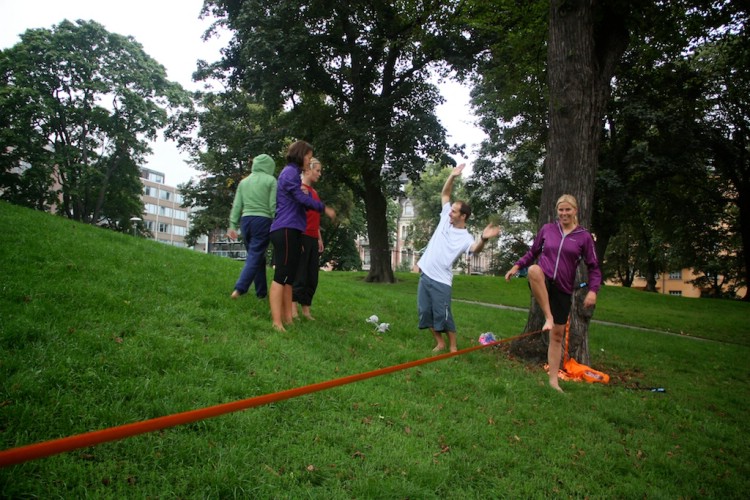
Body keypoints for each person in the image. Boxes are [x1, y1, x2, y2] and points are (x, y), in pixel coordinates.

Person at [504, 194, 602, 393]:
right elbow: (533, 253)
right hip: (544, 279)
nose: (564, 213)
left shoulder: (583, 237)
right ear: (557, 211)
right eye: (561, 210)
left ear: (575, 211)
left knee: (557, 336)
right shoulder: (548, 230)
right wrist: (516, 266)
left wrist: (593, 291)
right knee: (533, 270)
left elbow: (594, 267)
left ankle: (553, 381)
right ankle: (547, 317)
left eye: (568, 210)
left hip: (563, 288)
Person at [417, 164, 501, 353]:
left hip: (441, 281)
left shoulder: (466, 238)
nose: (450, 212)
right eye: (451, 209)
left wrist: (484, 238)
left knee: (444, 316)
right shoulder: (443, 219)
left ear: (463, 216)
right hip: (425, 274)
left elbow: (475, 249)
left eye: (454, 211)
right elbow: (445, 194)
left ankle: (453, 347)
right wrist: (452, 176)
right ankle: (439, 343)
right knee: (425, 313)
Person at [269, 141, 335, 331]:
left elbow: (297, 197)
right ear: (300, 155)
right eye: (308, 156)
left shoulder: (293, 175)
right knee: (281, 276)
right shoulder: (290, 172)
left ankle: (288, 318)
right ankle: (277, 322)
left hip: (293, 229)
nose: (309, 160)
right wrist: (324, 208)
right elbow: (299, 199)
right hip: (285, 229)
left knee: (289, 277)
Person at [227, 154, 277, 300]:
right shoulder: (271, 180)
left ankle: (261, 293)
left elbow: (237, 205)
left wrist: (232, 225)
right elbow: (273, 205)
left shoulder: (244, 182)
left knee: (258, 258)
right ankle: (240, 288)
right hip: (263, 221)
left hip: (245, 221)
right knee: (255, 256)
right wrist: (278, 222)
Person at [292, 157, 325, 320]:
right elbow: (294, 216)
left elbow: (315, 217)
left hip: (312, 237)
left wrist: (319, 238)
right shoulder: (298, 190)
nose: (319, 174)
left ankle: (306, 309)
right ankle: (292, 308)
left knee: (312, 276)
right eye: (317, 171)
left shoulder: (315, 194)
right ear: (307, 170)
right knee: (299, 274)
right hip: (301, 236)